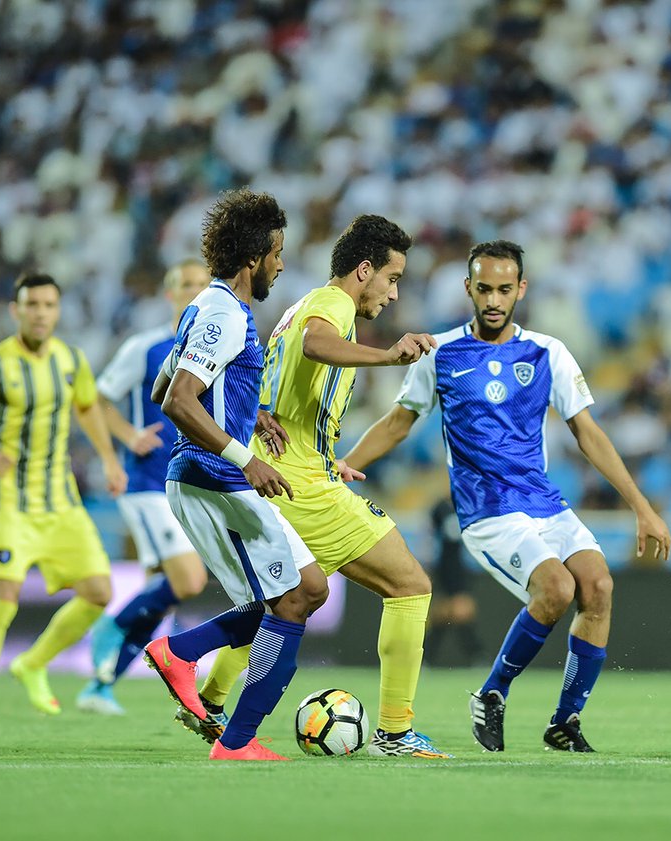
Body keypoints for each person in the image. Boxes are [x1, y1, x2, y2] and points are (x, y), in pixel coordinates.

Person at [343, 239, 671, 753]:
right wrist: (343, 468)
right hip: (486, 511)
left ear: (520, 289)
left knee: (599, 587)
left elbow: (589, 432)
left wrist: (642, 506)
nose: (494, 300)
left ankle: (565, 721)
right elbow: (397, 423)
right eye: (484, 289)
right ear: (468, 288)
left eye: (504, 289)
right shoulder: (440, 352)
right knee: (557, 590)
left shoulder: (548, 352)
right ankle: (492, 692)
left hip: (544, 501)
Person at [250, 213, 450, 759]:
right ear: (365, 270)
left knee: (286, 600)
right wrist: (387, 355)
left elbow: (292, 387)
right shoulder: (332, 306)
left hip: (290, 472)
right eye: (392, 278)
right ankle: (395, 732)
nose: (393, 292)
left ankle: (216, 701)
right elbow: (316, 345)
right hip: (300, 485)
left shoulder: (301, 304)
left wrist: (327, 456)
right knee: (410, 584)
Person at [141, 187, 328, 761]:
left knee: (308, 588)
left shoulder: (206, 306)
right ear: (254, 258)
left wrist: (252, 414)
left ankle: (181, 652)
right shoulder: (223, 314)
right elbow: (177, 400)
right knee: (292, 600)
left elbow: (165, 388)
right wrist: (246, 456)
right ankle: (237, 742)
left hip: (214, 475)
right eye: (276, 252)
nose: (281, 262)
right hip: (212, 479)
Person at [0, 272, 126, 724]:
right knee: (4, 594)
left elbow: (86, 406)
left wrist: (108, 458)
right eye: (32, 305)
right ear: (16, 310)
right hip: (10, 502)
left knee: (99, 591)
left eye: (48, 305)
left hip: (60, 500)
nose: (40, 313)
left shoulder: (70, 360)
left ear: (57, 311)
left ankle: (32, 663)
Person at [76, 259, 211, 716]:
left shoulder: (215, 346)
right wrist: (125, 440)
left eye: (202, 285)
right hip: (150, 482)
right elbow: (97, 398)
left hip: (191, 486)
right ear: (170, 294)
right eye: (186, 285)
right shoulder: (148, 346)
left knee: (165, 592)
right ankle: (111, 627)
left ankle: (102, 683)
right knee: (189, 579)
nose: (195, 292)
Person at [424, 495, 482, 667]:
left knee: (451, 613)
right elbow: (428, 537)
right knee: (452, 612)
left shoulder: (467, 504)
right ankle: (476, 655)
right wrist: (426, 564)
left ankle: (427, 658)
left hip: (461, 566)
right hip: (444, 566)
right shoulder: (440, 508)